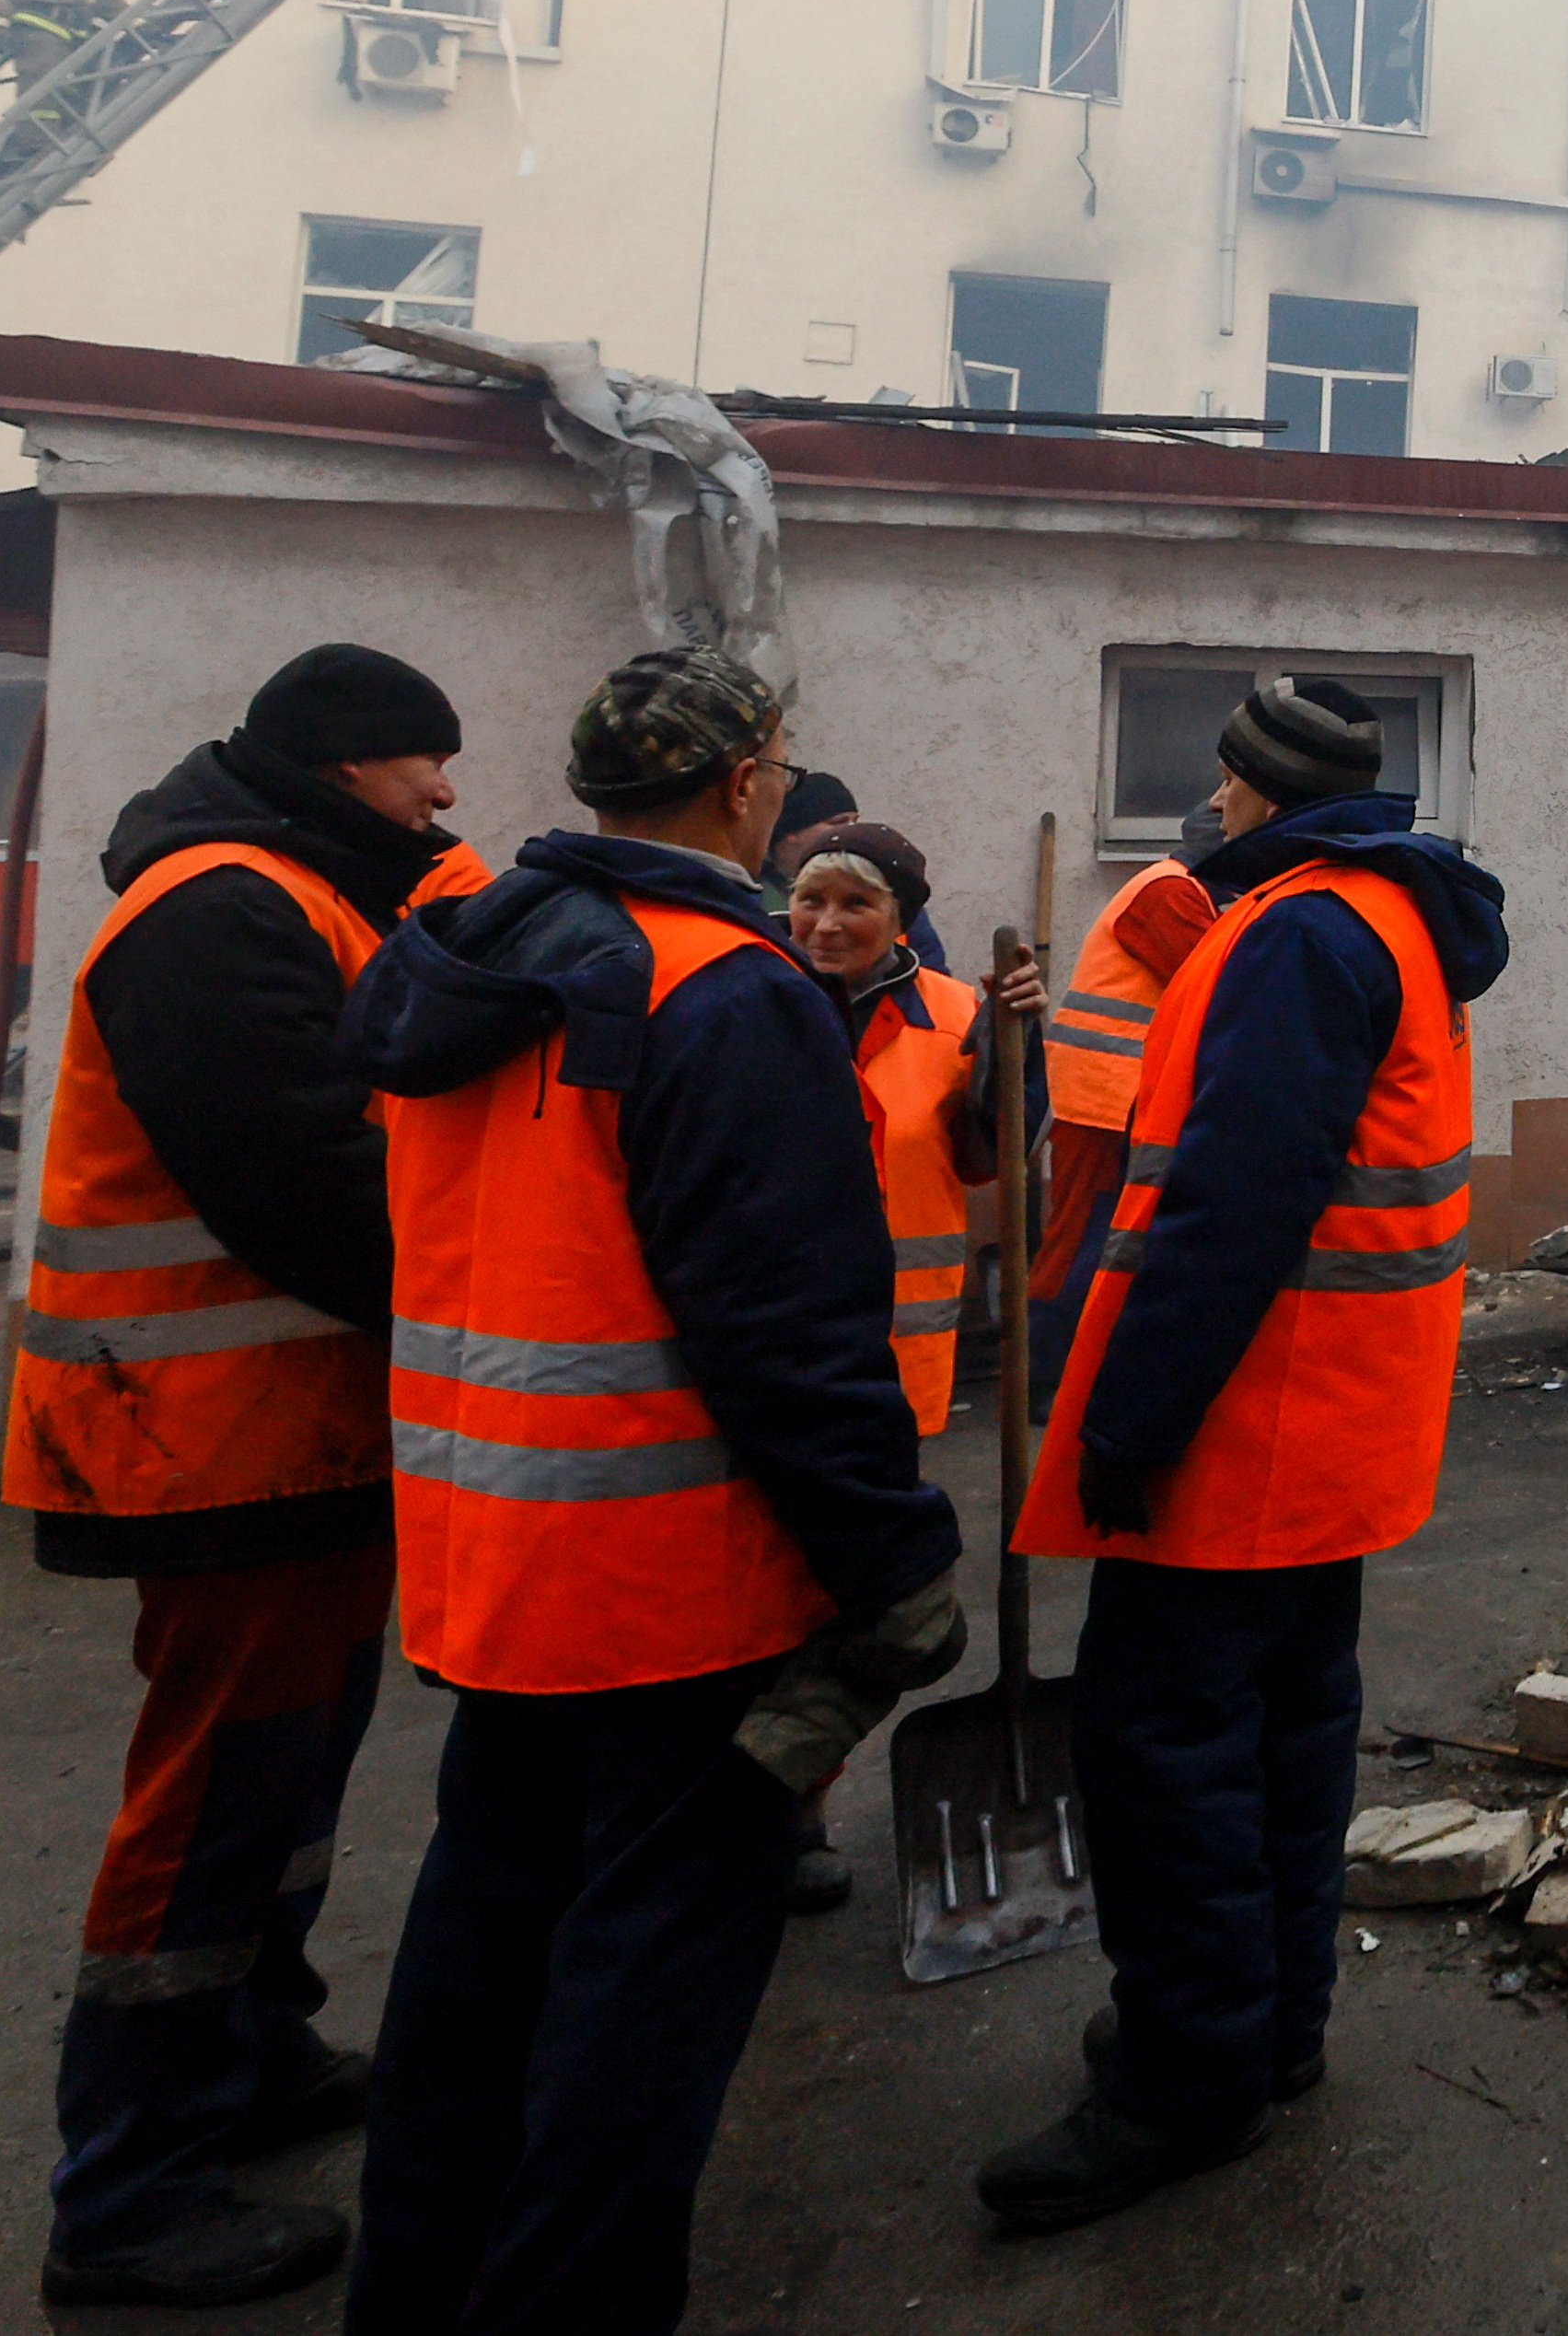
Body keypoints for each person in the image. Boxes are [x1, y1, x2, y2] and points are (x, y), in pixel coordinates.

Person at [336, 647, 964, 2336]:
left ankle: (413, 2295)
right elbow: (785, 1324)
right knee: (644, 1999)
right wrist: (896, 1556)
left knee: (476, 1971)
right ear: (749, 778)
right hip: (678, 1590)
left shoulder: (468, 950)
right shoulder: (722, 987)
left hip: (496, 1569)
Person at [979, 674, 1504, 2233]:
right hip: (1326, 1426)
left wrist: (1132, 1418)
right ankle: (1264, 2033)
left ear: (1257, 790)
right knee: (1277, 1739)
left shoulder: (1292, 933)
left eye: (1216, 788)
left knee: (1169, 1761)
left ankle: (1182, 2082)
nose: (1202, 812)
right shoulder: (1388, 919)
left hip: (1239, 1428)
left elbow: (1232, 1205)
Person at [5, 645, 475, 2311]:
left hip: (293, 1427)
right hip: (206, 1432)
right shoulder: (220, 909)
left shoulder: (313, 893)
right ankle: (127, 2186)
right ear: (347, 762)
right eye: (427, 761)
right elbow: (311, 1177)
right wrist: (505, 1289)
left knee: (288, 1765)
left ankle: (253, 2047)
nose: (445, 793)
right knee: (210, 1790)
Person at [769, 812, 1042, 1912]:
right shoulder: (748, 994)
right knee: (758, 1589)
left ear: (902, 920)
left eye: (856, 905)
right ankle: (746, 1803)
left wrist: (1018, 1060)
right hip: (766, 1345)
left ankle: (794, 1804)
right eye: (811, 900)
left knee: (852, 1597)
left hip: (897, 1358)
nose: (826, 923)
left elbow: (989, 1158)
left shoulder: (958, 1012)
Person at [1028, 844, 1217, 1382]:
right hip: (1105, 1099)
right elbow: (1220, 984)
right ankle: (1047, 1376)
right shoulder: (1170, 893)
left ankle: (1063, 1372)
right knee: (1083, 1241)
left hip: (1114, 1096)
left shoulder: (1173, 888)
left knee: (1094, 1239)